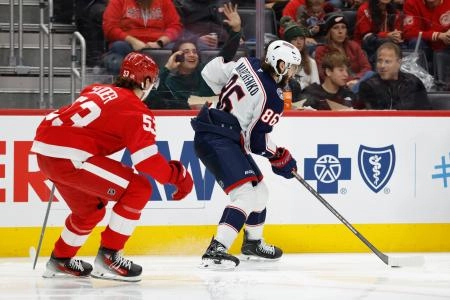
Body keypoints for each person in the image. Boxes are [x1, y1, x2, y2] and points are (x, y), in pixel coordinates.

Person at [30, 52, 193, 281]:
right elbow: (147, 162)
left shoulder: (95, 89)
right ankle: (109, 257)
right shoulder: (136, 109)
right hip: (70, 156)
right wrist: (179, 178)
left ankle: (61, 260)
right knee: (139, 188)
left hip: (45, 152)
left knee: (89, 211)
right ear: (145, 82)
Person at [191, 40, 301, 269]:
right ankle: (217, 248)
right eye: (290, 67)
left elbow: (209, 72)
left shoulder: (246, 63)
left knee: (260, 192)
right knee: (246, 196)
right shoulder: (274, 97)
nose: (292, 73)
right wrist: (279, 155)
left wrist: (232, 103)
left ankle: (253, 242)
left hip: (216, 131)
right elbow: (257, 142)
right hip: (219, 138)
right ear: (279, 64)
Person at [145, 2, 242, 109]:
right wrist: (167, 68)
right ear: (177, 56)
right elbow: (150, 99)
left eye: (195, 52)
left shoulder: (206, 72)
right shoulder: (170, 82)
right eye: (186, 52)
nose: (192, 55)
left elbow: (226, 54)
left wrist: (236, 30)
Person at [102, 0, 183, 74]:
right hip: (128, 44)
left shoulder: (164, 2)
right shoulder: (118, 1)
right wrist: (133, 41)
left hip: (159, 45)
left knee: (178, 49)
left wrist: (160, 42)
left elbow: (175, 26)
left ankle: (171, 86)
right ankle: (122, 86)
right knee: (118, 46)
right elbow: (109, 28)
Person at [358, 42, 431, 109]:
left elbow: (426, 112)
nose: (382, 66)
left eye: (387, 61)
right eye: (379, 61)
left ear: (399, 63)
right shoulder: (368, 86)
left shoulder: (414, 83)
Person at [315, 13, 374, 93]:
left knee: (371, 74)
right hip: (336, 87)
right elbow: (324, 75)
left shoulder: (353, 46)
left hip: (357, 83)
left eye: (343, 27)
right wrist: (349, 81)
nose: (340, 31)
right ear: (329, 32)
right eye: (336, 28)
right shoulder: (321, 50)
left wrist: (356, 80)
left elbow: (366, 67)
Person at [298, 51, 363, 110]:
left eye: (346, 71)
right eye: (341, 70)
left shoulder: (348, 94)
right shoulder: (311, 94)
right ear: (328, 71)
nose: (346, 74)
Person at [280, 16, 320, 101]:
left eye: (301, 39)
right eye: (294, 39)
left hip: (306, 100)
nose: (299, 42)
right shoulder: (281, 63)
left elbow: (316, 87)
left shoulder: (311, 62)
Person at [353, 0, 405, 66]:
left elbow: (398, 30)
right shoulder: (364, 9)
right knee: (377, 39)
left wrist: (397, 35)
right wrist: (387, 35)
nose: (383, 6)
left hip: (390, 42)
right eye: (381, 4)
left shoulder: (394, 11)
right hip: (366, 46)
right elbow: (366, 35)